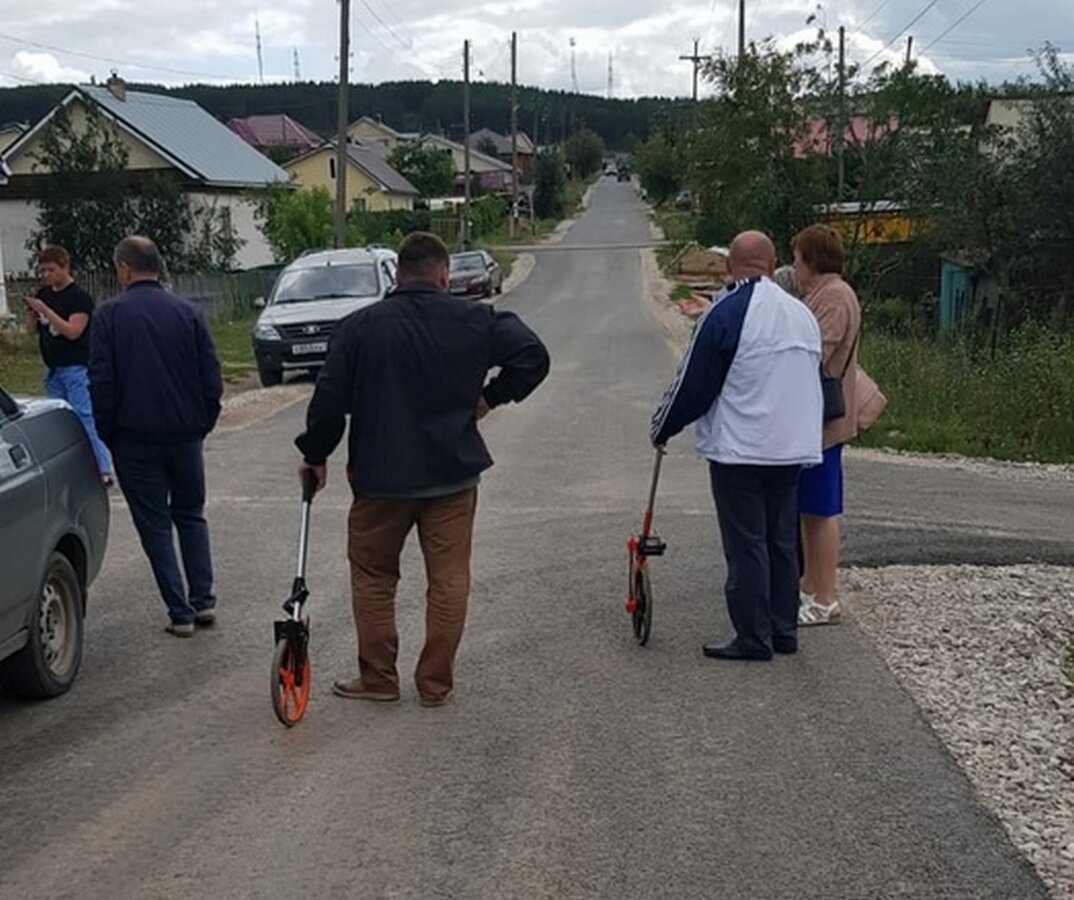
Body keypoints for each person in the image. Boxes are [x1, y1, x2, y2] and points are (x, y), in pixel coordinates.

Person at [295, 232, 549, 706]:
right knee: (449, 580)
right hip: (452, 475)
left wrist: (316, 454)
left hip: (379, 479)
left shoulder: (359, 328)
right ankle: (435, 685)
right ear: (444, 275)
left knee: (373, 576)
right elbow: (534, 357)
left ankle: (378, 679)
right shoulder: (476, 319)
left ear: (396, 275)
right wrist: (491, 397)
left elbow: (328, 402)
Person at [651, 231, 823, 661]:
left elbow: (694, 382)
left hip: (741, 448)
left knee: (747, 542)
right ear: (773, 263)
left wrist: (662, 426)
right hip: (793, 447)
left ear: (730, 267)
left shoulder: (726, 310)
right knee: (782, 539)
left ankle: (752, 636)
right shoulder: (802, 315)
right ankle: (784, 630)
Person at [89, 237, 224, 638]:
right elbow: (211, 378)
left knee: (154, 523)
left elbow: (102, 381)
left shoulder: (109, 316)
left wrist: (107, 431)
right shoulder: (189, 312)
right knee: (191, 515)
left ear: (124, 269)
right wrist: (203, 422)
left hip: (133, 438)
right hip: (185, 435)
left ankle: (179, 612)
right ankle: (203, 601)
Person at [791, 224, 862, 626]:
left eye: (799, 258)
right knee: (809, 510)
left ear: (813, 260)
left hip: (824, 421)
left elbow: (815, 352)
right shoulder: (826, 294)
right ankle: (809, 584)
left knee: (821, 511)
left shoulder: (833, 297)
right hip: (814, 421)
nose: (795, 266)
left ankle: (825, 595)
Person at [24, 245, 112, 483]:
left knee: (84, 416)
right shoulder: (44, 293)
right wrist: (32, 315)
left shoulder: (79, 298)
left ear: (65, 267)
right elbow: (31, 332)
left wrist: (46, 311)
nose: (46, 275)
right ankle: (70, 467)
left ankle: (102, 468)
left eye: (51, 270)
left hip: (75, 366)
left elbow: (73, 331)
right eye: (42, 271)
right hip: (52, 367)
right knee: (59, 422)